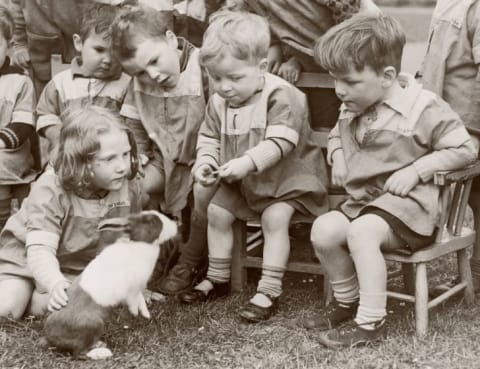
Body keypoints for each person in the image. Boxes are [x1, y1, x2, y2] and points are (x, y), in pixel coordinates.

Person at [302, 15, 477, 347]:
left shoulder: (422, 109)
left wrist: (418, 169)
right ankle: (348, 299)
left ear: (387, 77)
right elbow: (339, 133)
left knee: (362, 231)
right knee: (323, 230)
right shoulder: (353, 103)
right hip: (365, 203)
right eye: (335, 79)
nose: (339, 90)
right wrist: (337, 152)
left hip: (411, 212)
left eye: (349, 81)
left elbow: (464, 149)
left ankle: (370, 321)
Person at [177, 11, 328, 323]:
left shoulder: (282, 95)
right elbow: (208, 137)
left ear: (261, 68)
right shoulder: (219, 101)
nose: (224, 87)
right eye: (216, 78)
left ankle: (269, 289)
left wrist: (246, 163)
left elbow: (281, 144)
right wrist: (206, 162)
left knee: (274, 218)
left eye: (234, 78)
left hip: (290, 181)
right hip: (246, 182)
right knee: (217, 212)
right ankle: (218, 278)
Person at [111, 5, 217, 295]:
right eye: (140, 72)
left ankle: (191, 259)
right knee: (135, 186)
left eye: (155, 61)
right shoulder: (138, 85)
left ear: (171, 39)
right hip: (164, 160)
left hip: (206, 159)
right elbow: (132, 127)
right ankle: (156, 248)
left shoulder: (204, 68)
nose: (152, 76)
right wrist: (139, 154)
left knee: (204, 192)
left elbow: (221, 118)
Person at [0, 106, 143, 320]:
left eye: (126, 154)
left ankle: (39, 298)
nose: (122, 166)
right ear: (81, 162)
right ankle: (24, 291)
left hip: (74, 268)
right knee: (7, 309)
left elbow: (131, 241)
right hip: (27, 260)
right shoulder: (50, 190)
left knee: (73, 305)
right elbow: (40, 250)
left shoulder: (128, 186)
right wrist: (54, 282)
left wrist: (135, 285)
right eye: (110, 159)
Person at [226, 0, 381, 130]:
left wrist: (303, 58)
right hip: (308, 59)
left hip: (347, 52)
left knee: (355, 124)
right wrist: (276, 47)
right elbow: (253, 15)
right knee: (310, 124)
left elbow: (351, 18)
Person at [420, 0, 480, 290]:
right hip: (444, 119)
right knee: (475, 198)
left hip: (469, 125)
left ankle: (477, 272)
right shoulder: (447, 3)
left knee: (478, 198)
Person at [35, 2, 131, 164]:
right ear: (79, 43)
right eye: (99, 50)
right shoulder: (61, 83)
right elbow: (45, 116)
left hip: (107, 160)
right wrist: (60, 137)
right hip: (66, 157)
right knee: (46, 184)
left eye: (115, 51)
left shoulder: (126, 85)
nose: (107, 60)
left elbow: (131, 127)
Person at [0, 6, 36, 230]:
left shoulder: (19, 81)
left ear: (9, 46)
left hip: (10, 154)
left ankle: (3, 223)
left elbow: (23, 124)